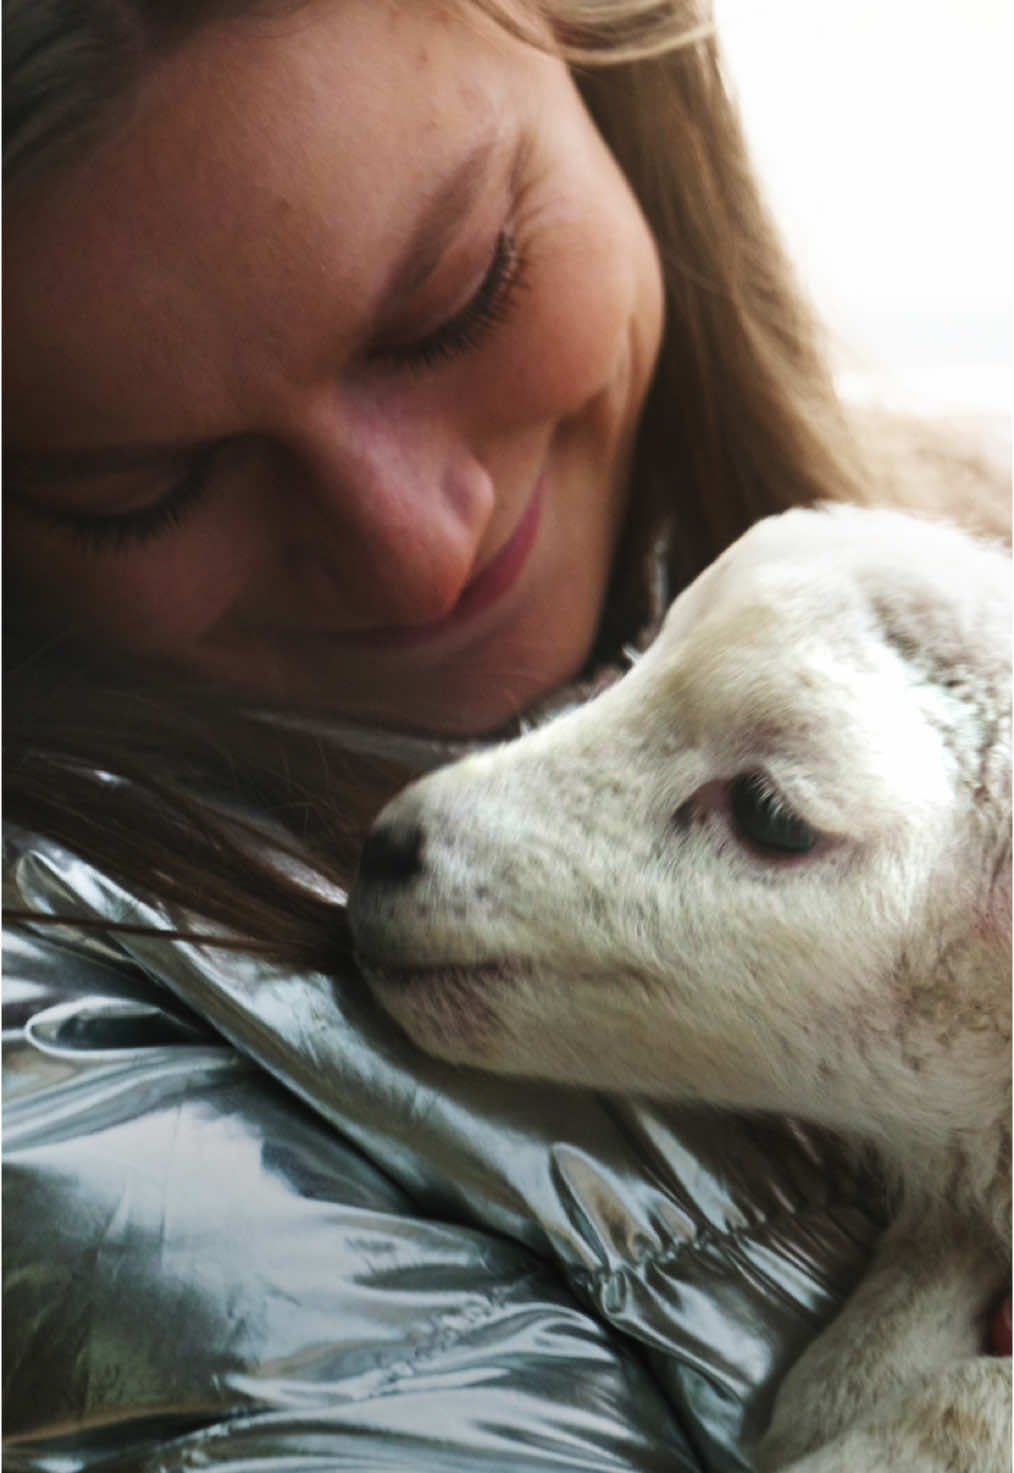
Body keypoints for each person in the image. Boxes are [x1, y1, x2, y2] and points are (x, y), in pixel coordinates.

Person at [3, 2, 1006, 1468]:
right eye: (138, 486)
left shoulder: (929, 529)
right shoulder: (65, 1053)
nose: (418, 547)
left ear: (595, 33)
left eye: (464, 295)